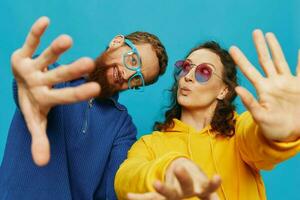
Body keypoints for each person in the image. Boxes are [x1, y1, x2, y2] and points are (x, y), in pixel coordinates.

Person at [115, 29, 300, 200]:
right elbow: (124, 179)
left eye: (204, 72)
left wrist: (276, 134)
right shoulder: (150, 144)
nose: (188, 76)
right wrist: (167, 169)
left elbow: (256, 137)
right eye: (186, 67)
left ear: (223, 91)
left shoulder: (239, 132)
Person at [0, 16, 168, 200]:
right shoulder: (54, 77)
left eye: (137, 79)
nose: (127, 74)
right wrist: (26, 83)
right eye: (133, 61)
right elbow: (33, 87)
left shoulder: (123, 128)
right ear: (117, 42)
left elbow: (114, 189)